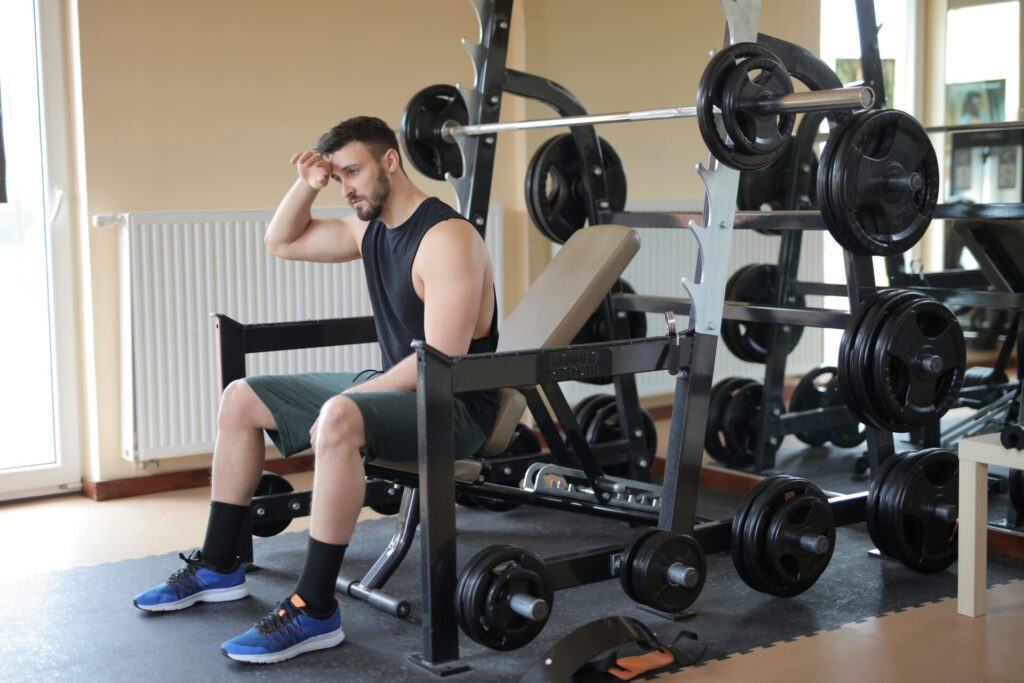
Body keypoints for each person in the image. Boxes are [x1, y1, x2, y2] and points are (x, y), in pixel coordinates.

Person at [132, 116, 499, 664]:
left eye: (352, 172)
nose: (345, 188)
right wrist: (308, 184)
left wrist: (351, 403)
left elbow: (441, 362)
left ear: (390, 162)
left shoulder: (447, 238)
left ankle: (315, 606)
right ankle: (218, 565)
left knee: (338, 416)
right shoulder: (370, 231)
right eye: (338, 176)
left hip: (455, 405)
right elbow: (281, 240)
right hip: (397, 386)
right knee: (241, 397)